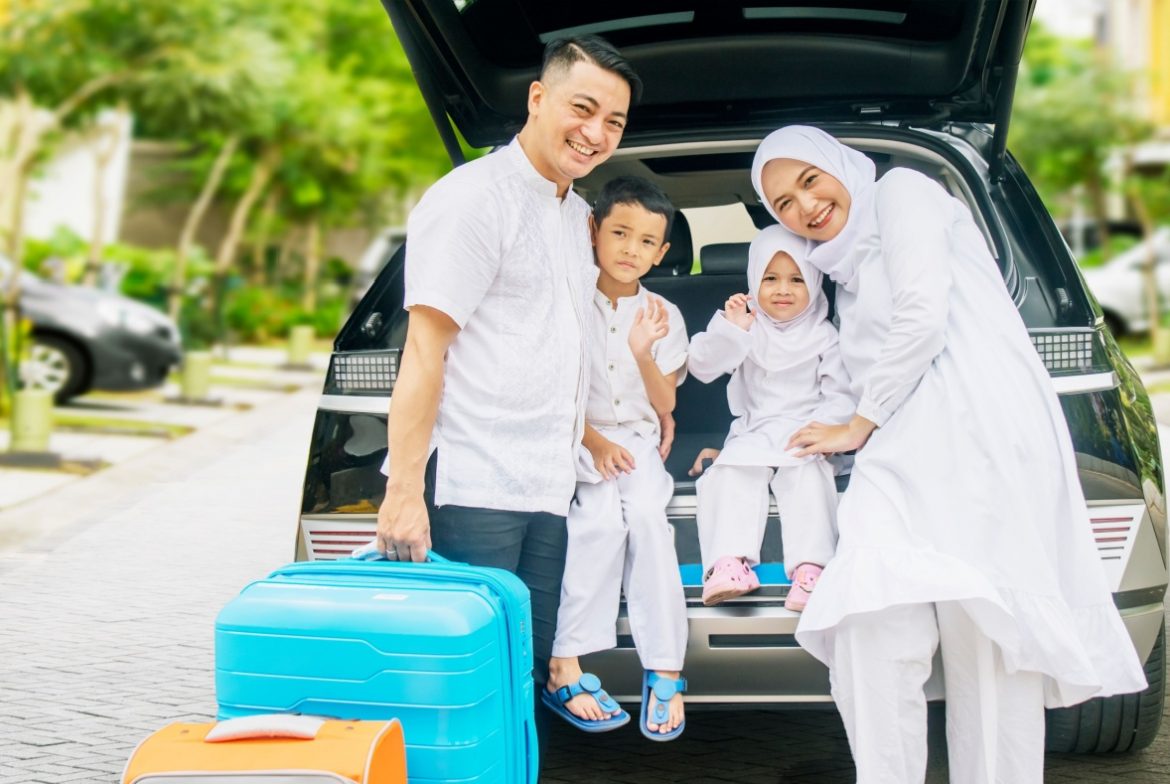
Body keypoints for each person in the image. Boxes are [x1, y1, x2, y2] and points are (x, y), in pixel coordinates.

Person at [750, 125, 1147, 784]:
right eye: (783, 205)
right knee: (867, 624)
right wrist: (780, 438)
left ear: (842, 167)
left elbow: (923, 312)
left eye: (809, 181)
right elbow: (851, 373)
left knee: (989, 643)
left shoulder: (904, 192)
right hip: (900, 441)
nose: (804, 208)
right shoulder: (841, 279)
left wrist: (857, 424)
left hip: (978, 429)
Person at [374, 36, 642, 761]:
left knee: (521, 680)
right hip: (474, 484)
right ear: (537, 97)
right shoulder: (471, 201)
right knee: (462, 687)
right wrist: (403, 491)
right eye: (582, 108)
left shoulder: (572, 211)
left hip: (545, 487)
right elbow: (424, 350)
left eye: (613, 122)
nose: (595, 133)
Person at [543, 176, 690, 741]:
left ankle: (666, 667)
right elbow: (552, 386)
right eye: (620, 233)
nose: (632, 249)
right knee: (596, 525)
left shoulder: (662, 312)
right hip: (576, 436)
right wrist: (591, 442)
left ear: (662, 252)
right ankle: (568, 664)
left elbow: (666, 402)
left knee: (650, 521)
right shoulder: (566, 301)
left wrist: (641, 351)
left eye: (647, 241)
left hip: (637, 440)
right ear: (593, 231)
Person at [687, 227, 852, 611]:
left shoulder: (825, 337)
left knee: (808, 477)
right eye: (770, 278)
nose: (783, 289)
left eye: (797, 279)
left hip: (806, 431)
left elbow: (840, 394)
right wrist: (731, 330)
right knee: (731, 472)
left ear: (814, 282)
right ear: (753, 282)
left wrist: (828, 432)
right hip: (755, 431)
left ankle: (811, 571)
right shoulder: (748, 327)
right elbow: (703, 366)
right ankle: (729, 564)